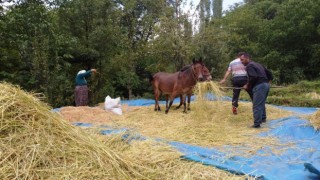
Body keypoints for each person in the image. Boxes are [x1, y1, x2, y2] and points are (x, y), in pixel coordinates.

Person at [240, 53, 273, 128]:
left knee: (257, 105)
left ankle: (257, 124)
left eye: (242, 60)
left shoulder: (249, 66)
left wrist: (247, 85)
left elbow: (253, 77)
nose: (241, 62)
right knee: (261, 103)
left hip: (259, 86)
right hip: (265, 85)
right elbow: (269, 73)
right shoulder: (258, 64)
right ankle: (263, 119)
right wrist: (268, 82)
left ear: (247, 58)